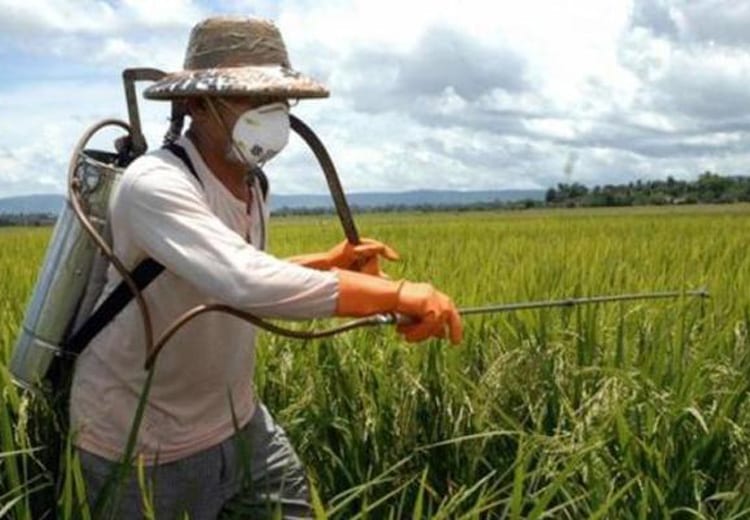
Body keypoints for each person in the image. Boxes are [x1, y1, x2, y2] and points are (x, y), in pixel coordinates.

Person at [69, 16, 462, 519]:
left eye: (277, 99)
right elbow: (242, 279)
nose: (270, 113)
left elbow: (227, 273)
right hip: (141, 442)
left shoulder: (252, 183)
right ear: (195, 103)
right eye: (251, 98)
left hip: (239, 423)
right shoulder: (156, 184)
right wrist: (396, 294)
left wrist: (328, 263)